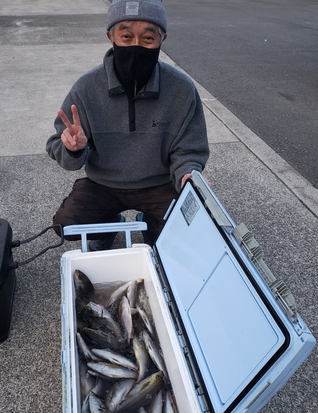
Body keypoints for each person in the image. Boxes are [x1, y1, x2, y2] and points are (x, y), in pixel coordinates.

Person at [46, 0, 209, 250]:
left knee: (190, 227)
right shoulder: (86, 88)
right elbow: (59, 147)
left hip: (159, 184)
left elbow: (189, 149)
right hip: (103, 185)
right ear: (110, 37)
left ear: (162, 38)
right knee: (65, 226)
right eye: (125, 36)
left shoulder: (181, 89)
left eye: (147, 38)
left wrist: (188, 174)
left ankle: (152, 222)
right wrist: (73, 149)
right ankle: (111, 222)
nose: (136, 46)